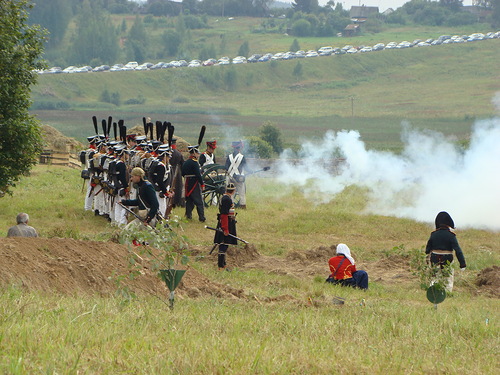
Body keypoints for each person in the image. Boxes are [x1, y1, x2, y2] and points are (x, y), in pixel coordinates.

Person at [425, 211, 466, 293]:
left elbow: (427, 249)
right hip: (447, 258)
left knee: (434, 277)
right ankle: (447, 293)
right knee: (448, 278)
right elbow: (458, 250)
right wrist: (462, 264)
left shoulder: (433, 234)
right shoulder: (451, 235)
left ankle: (433, 293)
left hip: (434, 257)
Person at [213, 183, 238, 270]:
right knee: (223, 244)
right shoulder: (226, 199)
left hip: (227, 222)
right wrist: (225, 228)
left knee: (224, 244)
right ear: (233, 191)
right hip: (226, 223)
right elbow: (224, 215)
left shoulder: (225, 197)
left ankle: (223, 264)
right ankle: (221, 265)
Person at [181, 145, 206, 222]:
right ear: (194, 153)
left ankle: (188, 216)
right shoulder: (194, 163)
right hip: (194, 183)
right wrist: (202, 184)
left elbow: (183, 173)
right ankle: (201, 218)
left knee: (189, 201)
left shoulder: (186, 162)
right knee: (199, 201)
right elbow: (198, 175)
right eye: (197, 153)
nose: (198, 155)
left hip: (187, 182)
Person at [225, 140, 249, 209]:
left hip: (230, 177)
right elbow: (246, 167)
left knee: (230, 192)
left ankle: (231, 206)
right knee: (242, 192)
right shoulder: (242, 157)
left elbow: (226, 167)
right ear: (239, 148)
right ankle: (242, 205)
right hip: (239, 178)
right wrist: (252, 171)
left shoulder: (229, 157)